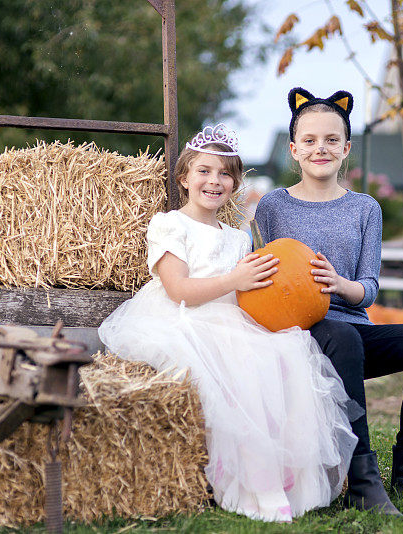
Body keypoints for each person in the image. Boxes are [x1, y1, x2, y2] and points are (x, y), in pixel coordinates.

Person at [98, 124, 359, 523]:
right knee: (238, 370)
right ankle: (248, 478)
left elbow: (252, 293)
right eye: (204, 171)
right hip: (183, 317)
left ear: (235, 183)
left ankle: (287, 473)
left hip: (233, 319)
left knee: (288, 353)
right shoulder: (170, 225)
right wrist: (234, 281)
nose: (214, 181)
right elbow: (177, 289)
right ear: (184, 178)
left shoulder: (238, 237)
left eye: (224, 174)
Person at [255, 88, 403, 516]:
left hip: (354, 330)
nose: (319, 148)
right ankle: (362, 478)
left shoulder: (366, 208)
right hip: (304, 331)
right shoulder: (272, 206)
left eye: (330, 140)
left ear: (346, 149)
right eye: (309, 140)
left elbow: (371, 287)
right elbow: (263, 277)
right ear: (293, 149)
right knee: (341, 335)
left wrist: (341, 284)